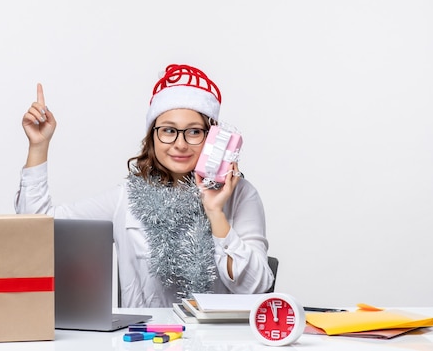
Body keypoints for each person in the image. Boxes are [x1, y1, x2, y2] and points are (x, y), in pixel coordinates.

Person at [15, 64, 274, 308]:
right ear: (153, 136)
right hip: (146, 338)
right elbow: (37, 227)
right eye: (168, 130)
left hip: (219, 340)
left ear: (212, 138)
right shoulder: (126, 198)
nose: (180, 144)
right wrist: (38, 146)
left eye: (194, 131)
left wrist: (216, 213)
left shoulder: (241, 195)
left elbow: (255, 287)